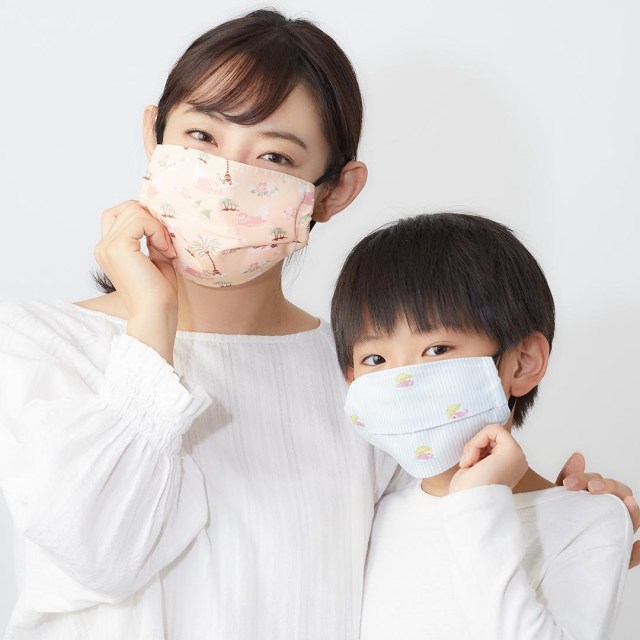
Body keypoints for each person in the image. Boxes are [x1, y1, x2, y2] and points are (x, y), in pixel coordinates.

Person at [0, 9, 637, 640]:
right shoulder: (40, 346)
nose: (228, 177)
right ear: (154, 135)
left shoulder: (372, 381)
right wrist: (152, 320)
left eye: (274, 156)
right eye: (201, 136)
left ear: (333, 192)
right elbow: (100, 556)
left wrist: (567, 518)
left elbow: (441, 565)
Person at [330, 212, 634, 639]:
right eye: (375, 359)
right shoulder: (374, 512)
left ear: (522, 363)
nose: (401, 379)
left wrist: (478, 502)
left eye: (437, 349)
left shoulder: (589, 519)